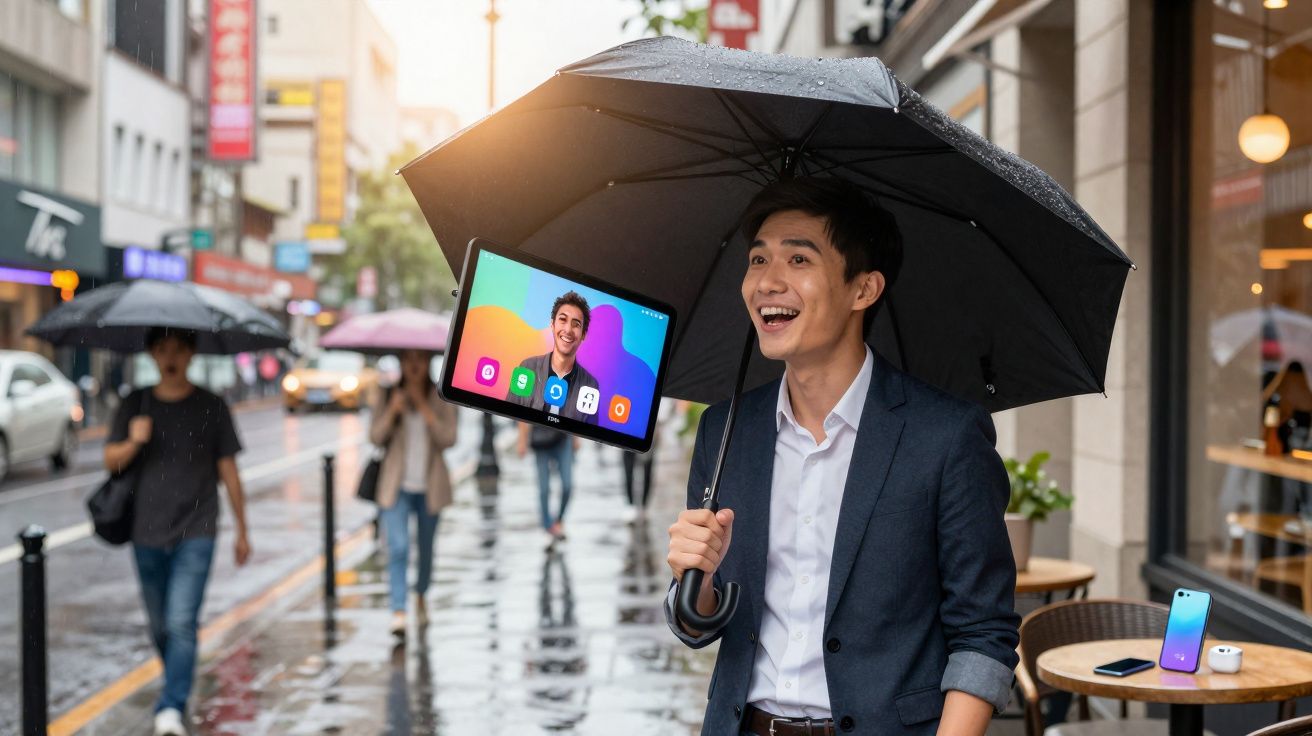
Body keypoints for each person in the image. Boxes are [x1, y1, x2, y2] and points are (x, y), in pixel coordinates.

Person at [665, 177, 1019, 736]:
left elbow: (984, 633)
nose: (767, 282)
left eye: (798, 258)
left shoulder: (947, 437)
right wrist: (697, 577)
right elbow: (697, 624)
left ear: (864, 289)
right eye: (757, 260)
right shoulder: (725, 429)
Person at [103, 327, 249, 736]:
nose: (170, 358)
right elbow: (110, 462)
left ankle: (171, 705)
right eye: (162, 349)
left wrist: (242, 529)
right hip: (145, 531)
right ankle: (177, 683)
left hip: (197, 530)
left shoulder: (211, 406)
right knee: (161, 627)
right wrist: (133, 441)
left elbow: (228, 469)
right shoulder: (136, 403)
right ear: (151, 354)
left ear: (190, 355)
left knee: (182, 622)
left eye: (178, 350)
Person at [370, 349, 459, 639]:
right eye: (408, 360)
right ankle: (399, 610)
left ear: (428, 362)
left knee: (426, 551)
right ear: (400, 363)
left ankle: (420, 593)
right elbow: (375, 437)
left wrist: (425, 409)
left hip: (429, 488)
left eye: (419, 359)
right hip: (395, 487)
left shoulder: (442, 394)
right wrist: (393, 411)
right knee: (397, 548)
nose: (414, 366)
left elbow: (449, 438)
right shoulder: (388, 395)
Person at [506, 291, 600, 424]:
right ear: (552, 324)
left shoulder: (590, 385)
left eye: (576, 324)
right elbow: (508, 417)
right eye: (562, 319)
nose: (568, 329)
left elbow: (588, 435)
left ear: (583, 334)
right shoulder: (526, 368)